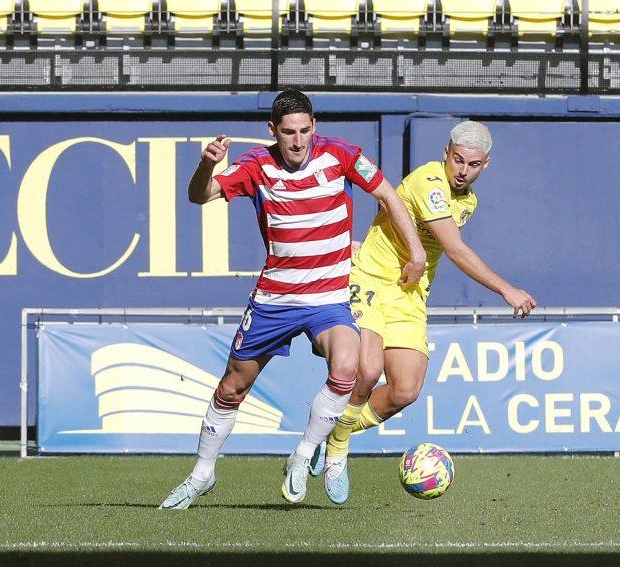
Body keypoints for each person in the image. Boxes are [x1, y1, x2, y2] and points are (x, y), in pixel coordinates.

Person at [159, 89, 426, 509]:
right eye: (288, 133)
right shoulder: (256, 166)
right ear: (273, 131)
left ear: (314, 127)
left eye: (304, 130)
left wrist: (418, 250)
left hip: (329, 298)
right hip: (274, 301)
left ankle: (304, 454)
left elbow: (389, 196)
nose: (298, 141)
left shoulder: (341, 155)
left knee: (348, 366)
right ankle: (201, 474)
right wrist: (207, 163)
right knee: (232, 388)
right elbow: (199, 195)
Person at [322, 121, 536, 504]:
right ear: (446, 152)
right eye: (457, 160)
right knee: (367, 369)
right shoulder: (429, 181)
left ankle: (333, 433)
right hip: (371, 277)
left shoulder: (468, 202)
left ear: (485, 165)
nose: (462, 170)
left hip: (409, 295)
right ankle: (336, 451)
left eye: (472, 164)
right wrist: (507, 289)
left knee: (405, 390)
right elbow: (454, 249)